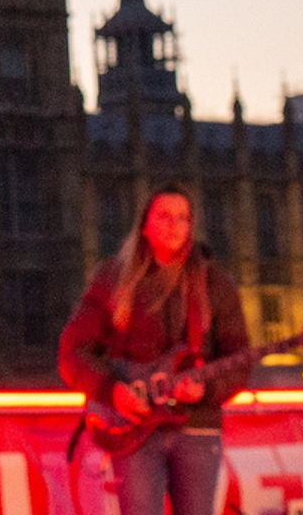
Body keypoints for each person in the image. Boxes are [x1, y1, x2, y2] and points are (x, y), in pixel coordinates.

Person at [58, 185, 250, 515]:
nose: (174, 225)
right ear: (144, 224)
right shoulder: (113, 278)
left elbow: (239, 360)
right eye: (164, 216)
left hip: (197, 427)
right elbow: (73, 353)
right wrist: (111, 391)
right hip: (133, 431)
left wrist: (206, 390)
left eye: (182, 218)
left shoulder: (215, 282)